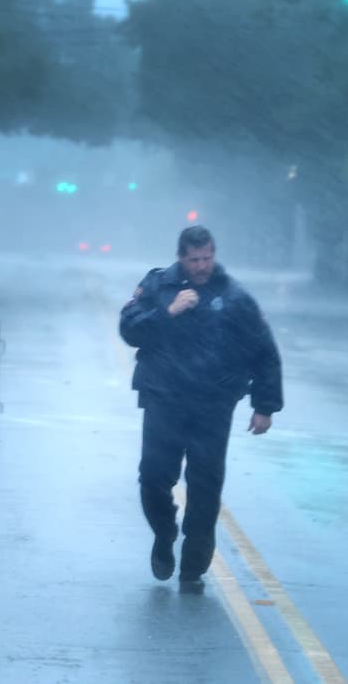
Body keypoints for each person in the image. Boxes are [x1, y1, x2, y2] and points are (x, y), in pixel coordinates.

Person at [119, 225, 283, 594]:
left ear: (214, 254)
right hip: (164, 400)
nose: (202, 266)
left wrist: (265, 405)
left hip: (213, 404)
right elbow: (129, 330)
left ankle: (193, 564)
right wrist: (168, 312)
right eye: (194, 260)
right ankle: (164, 533)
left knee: (205, 486)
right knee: (153, 478)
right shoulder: (158, 287)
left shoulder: (234, 297)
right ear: (181, 258)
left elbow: (264, 351)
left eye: (207, 258)